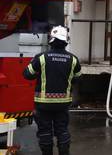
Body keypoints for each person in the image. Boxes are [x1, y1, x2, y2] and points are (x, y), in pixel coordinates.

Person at [23, 25, 82, 155]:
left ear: (51, 39)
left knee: (45, 132)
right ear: (66, 40)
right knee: (62, 131)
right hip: (63, 104)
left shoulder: (41, 57)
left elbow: (27, 74)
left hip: (43, 104)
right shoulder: (73, 59)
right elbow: (77, 78)